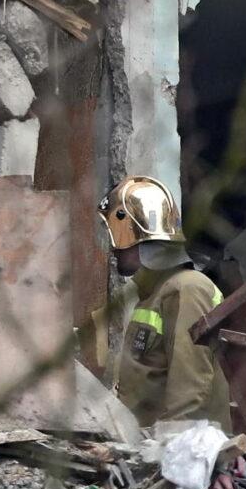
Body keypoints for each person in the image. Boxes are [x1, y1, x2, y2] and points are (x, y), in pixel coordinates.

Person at [92, 174, 234, 432]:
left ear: (136, 233)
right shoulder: (154, 296)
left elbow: (191, 388)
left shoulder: (188, 289)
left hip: (182, 455)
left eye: (118, 236)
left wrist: (170, 450)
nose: (114, 250)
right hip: (147, 448)